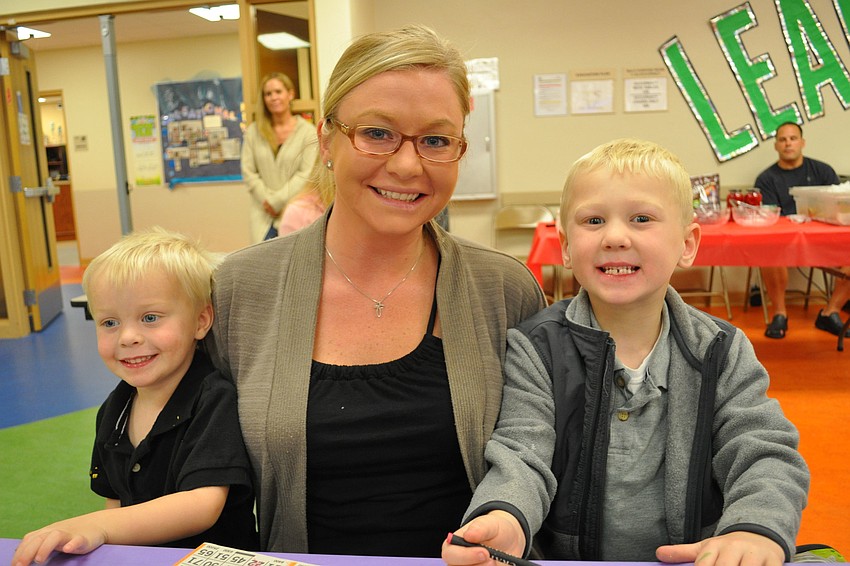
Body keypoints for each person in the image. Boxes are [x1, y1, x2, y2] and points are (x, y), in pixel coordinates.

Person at [205, 25, 546, 557]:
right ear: (325, 140)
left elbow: (540, 449)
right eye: (377, 133)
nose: (407, 165)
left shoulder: (503, 291)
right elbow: (194, 459)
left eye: (435, 140)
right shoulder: (242, 291)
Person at [442, 139, 809, 566]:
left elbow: (762, 450)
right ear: (564, 245)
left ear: (687, 244)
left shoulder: (721, 350)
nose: (615, 236)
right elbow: (522, 454)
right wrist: (505, 516)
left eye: (641, 218)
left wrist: (753, 528)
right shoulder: (535, 348)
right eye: (594, 220)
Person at [11, 228, 258, 566]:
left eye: (150, 318)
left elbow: (202, 505)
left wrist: (98, 527)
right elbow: (116, 500)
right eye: (109, 322)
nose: (127, 337)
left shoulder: (214, 399)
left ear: (200, 321)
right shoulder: (114, 410)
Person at [754, 121, 850, 338]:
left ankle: (830, 312)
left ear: (802, 142)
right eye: (783, 139)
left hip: (825, 240)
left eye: (793, 138)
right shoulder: (766, 179)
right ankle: (779, 314)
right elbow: (769, 217)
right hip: (783, 241)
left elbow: (840, 209)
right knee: (768, 252)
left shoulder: (823, 171)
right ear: (776, 145)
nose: (788, 143)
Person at [242, 72, 318, 243]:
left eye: (278, 92)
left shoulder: (308, 132)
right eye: (268, 94)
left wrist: (277, 201)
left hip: (295, 211)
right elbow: (249, 172)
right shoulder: (254, 132)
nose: (273, 97)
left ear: (290, 94)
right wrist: (267, 201)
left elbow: (306, 174)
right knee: (263, 264)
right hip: (262, 213)